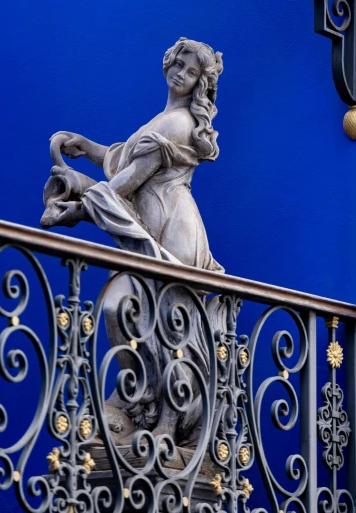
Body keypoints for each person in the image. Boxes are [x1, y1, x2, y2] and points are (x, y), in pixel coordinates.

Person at [41, 37, 225, 444]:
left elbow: (123, 185)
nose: (181, 72)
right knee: (121, 308)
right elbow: (124, 164)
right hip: (156, 220)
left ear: (199, 84)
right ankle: (142, 397)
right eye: (178, 63)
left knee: (169, 324)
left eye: (191, 72)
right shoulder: (163, 119)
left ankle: (167, 421)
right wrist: (88, 149)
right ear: (168, 62)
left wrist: (80, 204)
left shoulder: (177, 124)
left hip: (175, 229)